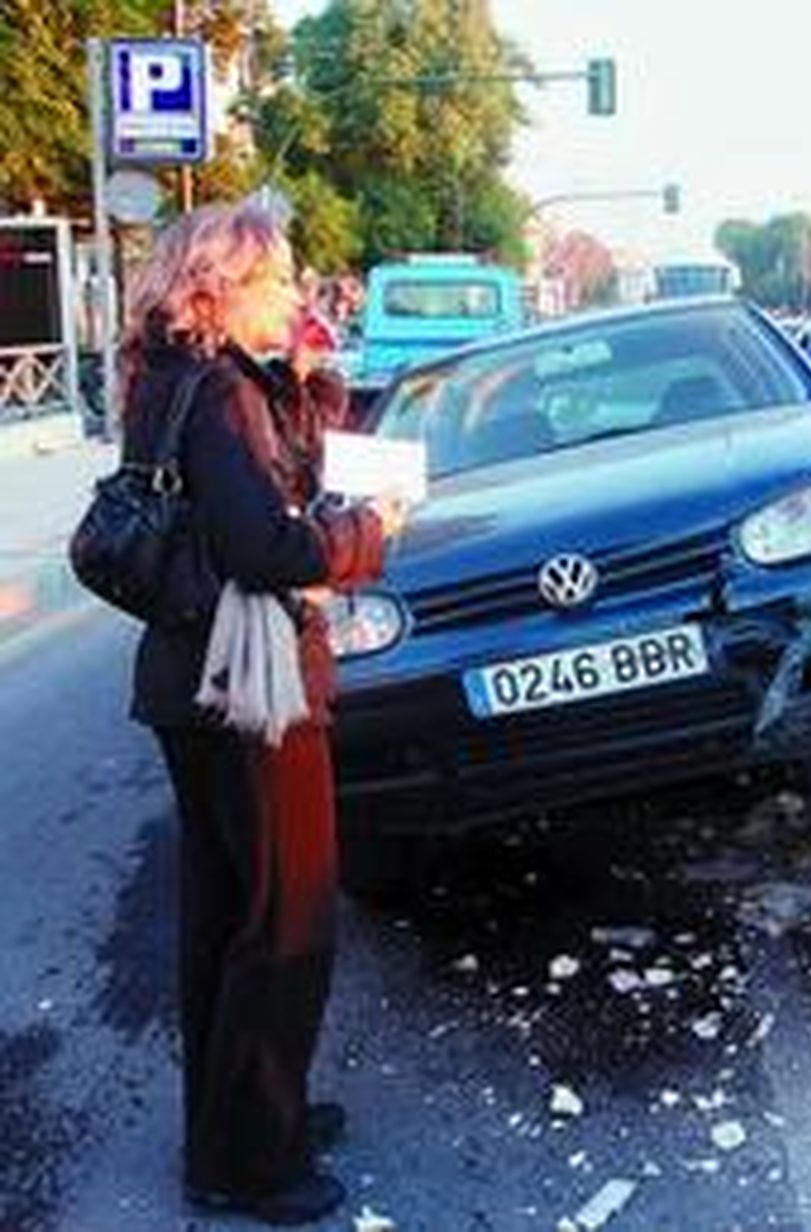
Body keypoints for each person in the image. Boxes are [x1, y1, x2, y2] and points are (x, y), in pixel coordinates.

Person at [118, 202, 404, 1225]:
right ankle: (254, 1160)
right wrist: (367, 533)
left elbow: (266, 484)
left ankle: (234, 1129)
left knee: (223, 918)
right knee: (286, 917)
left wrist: (306, 376)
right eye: (278, 278)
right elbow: (265, 548)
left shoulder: (182, 376)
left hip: (193, 681)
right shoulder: (214, 393)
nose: (297, 294)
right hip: (250, 684)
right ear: (221, 284)